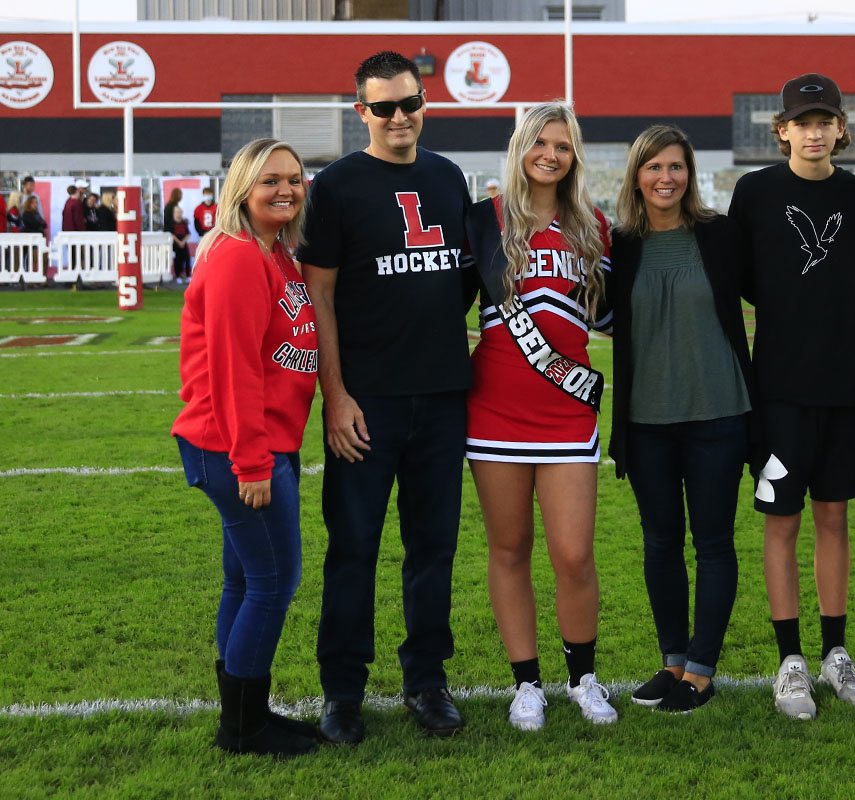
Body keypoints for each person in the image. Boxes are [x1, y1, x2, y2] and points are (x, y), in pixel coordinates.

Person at [298, 50, 475, 744]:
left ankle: (426, 681)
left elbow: (458, 277)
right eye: (384, 108)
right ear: (360, 112)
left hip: (441, 396)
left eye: (410, 103)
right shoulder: (337, 186)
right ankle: (343, 691)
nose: (400, 118)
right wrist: (336, 396)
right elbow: (320, 295)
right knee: (354, 549)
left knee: (432, 548)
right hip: (366, 402)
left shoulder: (448, 175)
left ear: (423, 101)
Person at [728, 73, 855, 721]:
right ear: (782, 129)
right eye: (802, 121)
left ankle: (836, 652)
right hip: (780, 393)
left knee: (835, 519)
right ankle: (790, 660)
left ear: (841, 129)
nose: (814, 132)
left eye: (826, 121)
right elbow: (737, 286)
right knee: (781, 524)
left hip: (846, 390)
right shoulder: (756, 192)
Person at [463, 101, 615, 732]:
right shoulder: (482, 222)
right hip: (493, 410)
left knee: (574, 554)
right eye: (541, 143)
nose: (551, 155)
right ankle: (527, 684)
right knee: (509, 547)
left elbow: (609, 318)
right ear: (520, 147)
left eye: (563, 145)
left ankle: (583, 676)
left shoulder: (594, 227)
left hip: (566, 411)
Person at [170, 137, 321, 757]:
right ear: (243, 190)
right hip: (232, 447)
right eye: (269, 181)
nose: (285, 189)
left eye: (293, 178)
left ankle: (245, 710)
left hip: (257, 442)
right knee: (273, 581)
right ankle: (243, 726)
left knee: (244, 581)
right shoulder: (237, 257)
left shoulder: (277, 253)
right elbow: (234, 372)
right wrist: (253, 462)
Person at [609, 125, 753, 713]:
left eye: (676, 167)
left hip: (719, 411)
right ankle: (672, 662)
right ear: (636, 175)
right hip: (646, 420)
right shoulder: (620, 243)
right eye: (653, 167)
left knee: (713, 542)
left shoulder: (719, 235)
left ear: (690, 174)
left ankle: (701, 669)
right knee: (660, 542)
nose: (665, 178)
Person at [170, 205, 193, 284]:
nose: (178, 214)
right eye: (177, 212)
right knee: (177, 260)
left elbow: (188, 234)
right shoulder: (172, 223)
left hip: (184, 243)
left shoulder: (184, 222)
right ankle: (178, 276)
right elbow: (172, 234)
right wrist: (178, 242)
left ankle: (188, 275)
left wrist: (183, 241)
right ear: (174, 213)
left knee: (187, 258)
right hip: (176, 244)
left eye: (180, 212)